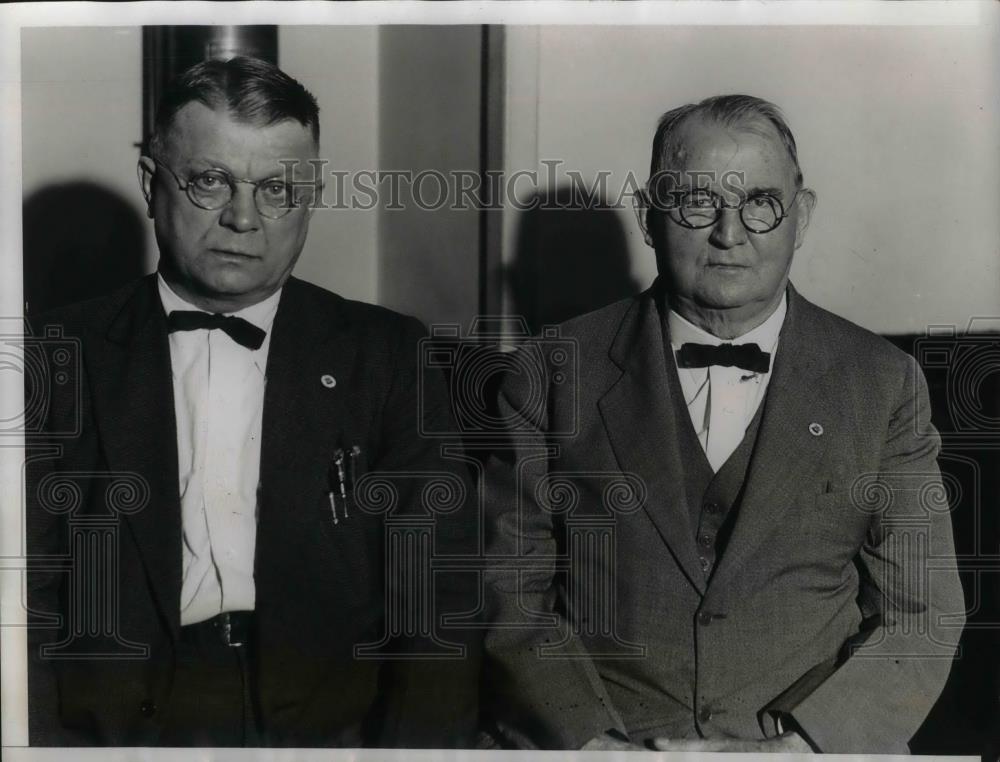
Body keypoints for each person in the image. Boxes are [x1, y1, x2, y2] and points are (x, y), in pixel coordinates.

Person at [481, 94, 965, 753]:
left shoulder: (881, 383)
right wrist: (593, 743)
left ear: (802, 217)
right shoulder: (548, 373)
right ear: (649, 216)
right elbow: (513, 594)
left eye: (761, 203)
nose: (729, 234)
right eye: (696, 201)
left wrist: (800, 748)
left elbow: (923, 614)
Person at [25, 56, 479, 748]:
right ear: (152, 185)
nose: (243, 217)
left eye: (277, 189)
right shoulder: (54, 356)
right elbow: (22, 607)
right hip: (115, 730)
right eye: (211, 181)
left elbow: (436, 608)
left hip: (332, 726)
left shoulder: (389, 356)